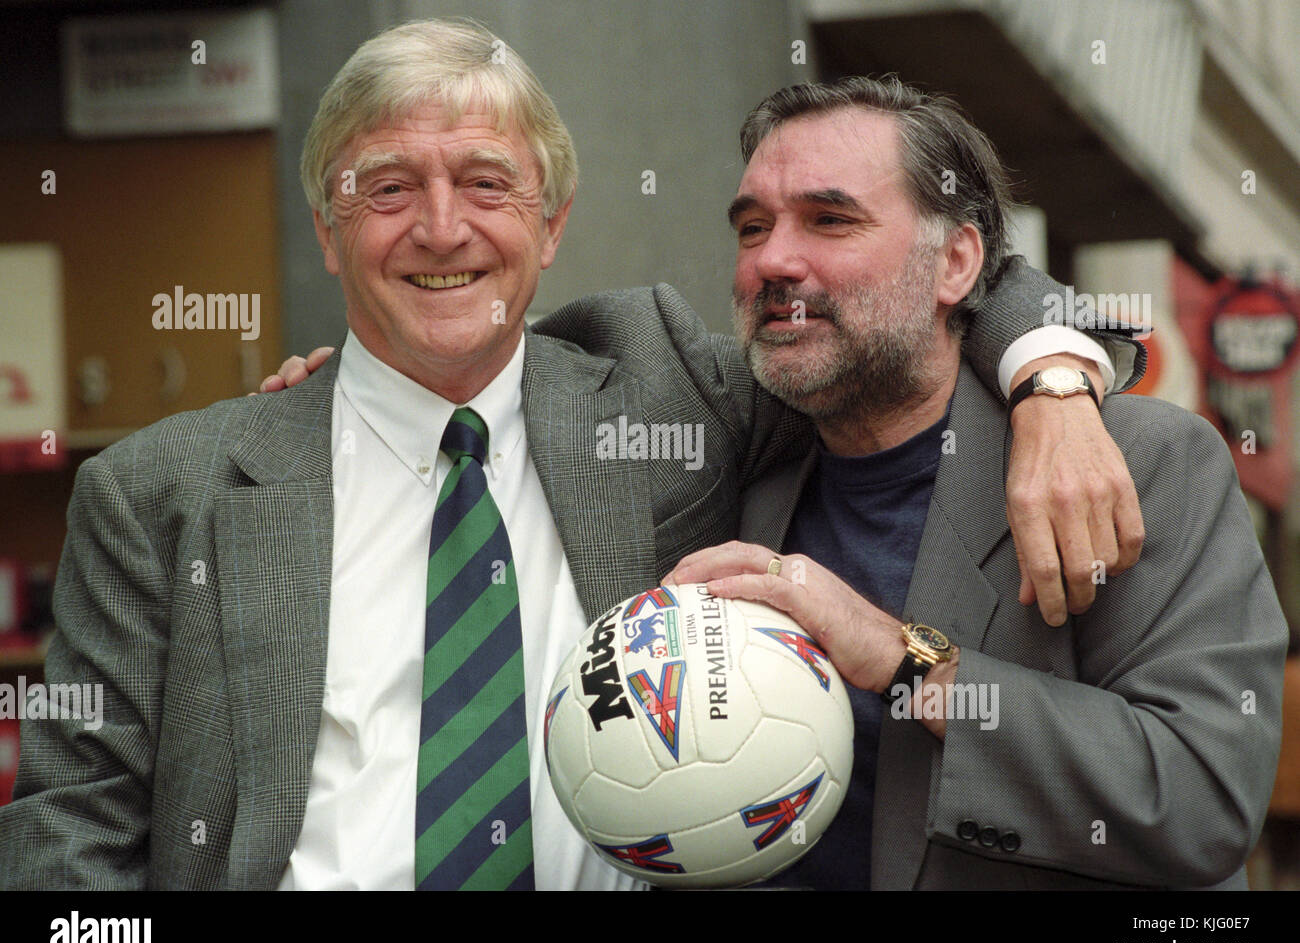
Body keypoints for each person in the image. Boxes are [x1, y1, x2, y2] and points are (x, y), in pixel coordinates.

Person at [0, 20, 1143, 891]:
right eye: (388, 188)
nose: (441, 230)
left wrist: (1050, 377)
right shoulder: (160, 493)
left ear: (551, 227)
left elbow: (928, 278)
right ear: (327, 227)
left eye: (486, 185)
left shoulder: (667, 391)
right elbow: (67, 832)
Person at [667, 76, 1288, 889]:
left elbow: (1201, 801)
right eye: (753, 227)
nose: (774, 259)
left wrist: (902, 658)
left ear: (955, 262)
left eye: (830, 219)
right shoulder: (732, 455)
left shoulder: (1138, 462)